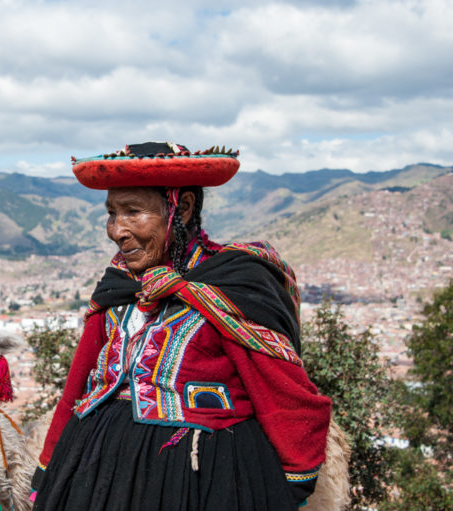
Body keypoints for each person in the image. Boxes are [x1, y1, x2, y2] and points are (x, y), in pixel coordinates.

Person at [30, 142, 332, 511]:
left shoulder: (232, 285)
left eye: (133, 212)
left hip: (202, 477)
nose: (116, 230)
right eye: (111, 213)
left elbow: (283, 396)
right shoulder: (119, 287)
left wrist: (292, 485)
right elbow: (78, 385)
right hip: (94, 473)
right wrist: (47, 470)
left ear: (182, 208)